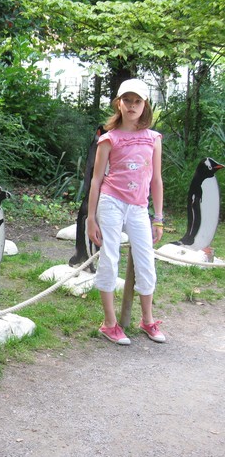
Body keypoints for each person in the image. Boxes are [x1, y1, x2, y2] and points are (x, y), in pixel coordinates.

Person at [86, 78, 165, 346]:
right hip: (111, 202)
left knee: (146, 261)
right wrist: (90, 217)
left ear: (145, 105)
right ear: (118, 103)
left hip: (139, 207)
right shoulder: (109, 139)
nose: (132, 106)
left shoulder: (153, 139)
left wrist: (159, 218)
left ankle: (147, 320)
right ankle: (109, 323)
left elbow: (156, 180)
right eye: (127, 100)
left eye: (138, 101)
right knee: (110, 258)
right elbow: (96, 180)